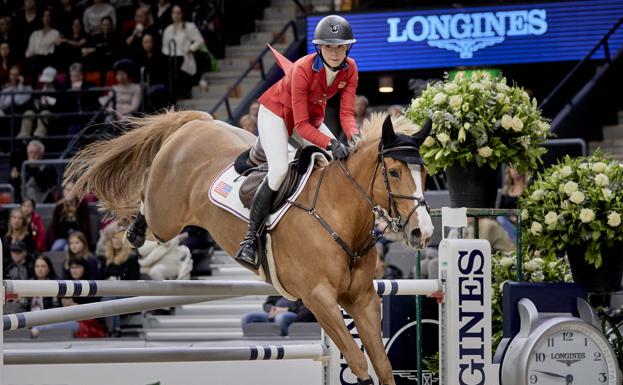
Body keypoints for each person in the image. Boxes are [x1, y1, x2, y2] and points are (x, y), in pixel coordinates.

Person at [236, 15, 359, 267]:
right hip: (277, 113)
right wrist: (330, 143)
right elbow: (300, 126)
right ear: (319, 48)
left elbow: (346, 114)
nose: (335, 52)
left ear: (348, 47)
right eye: (328, 46)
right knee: (279, 171)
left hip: (310, 117)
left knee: (335, 163)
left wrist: (354, 136)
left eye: (340, 46)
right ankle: (250, 240)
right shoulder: (304, 68)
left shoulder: (351, 68)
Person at [497, 166, 530, 241]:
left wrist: (517, 218)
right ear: (509, 171)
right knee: (499, 219)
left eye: (517, 167)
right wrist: (510, 217)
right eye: (512, 168)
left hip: (522, 223)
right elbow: (499, 210)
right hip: (506, 222)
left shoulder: (528, 189)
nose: (515, 171)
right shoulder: (506, 190)